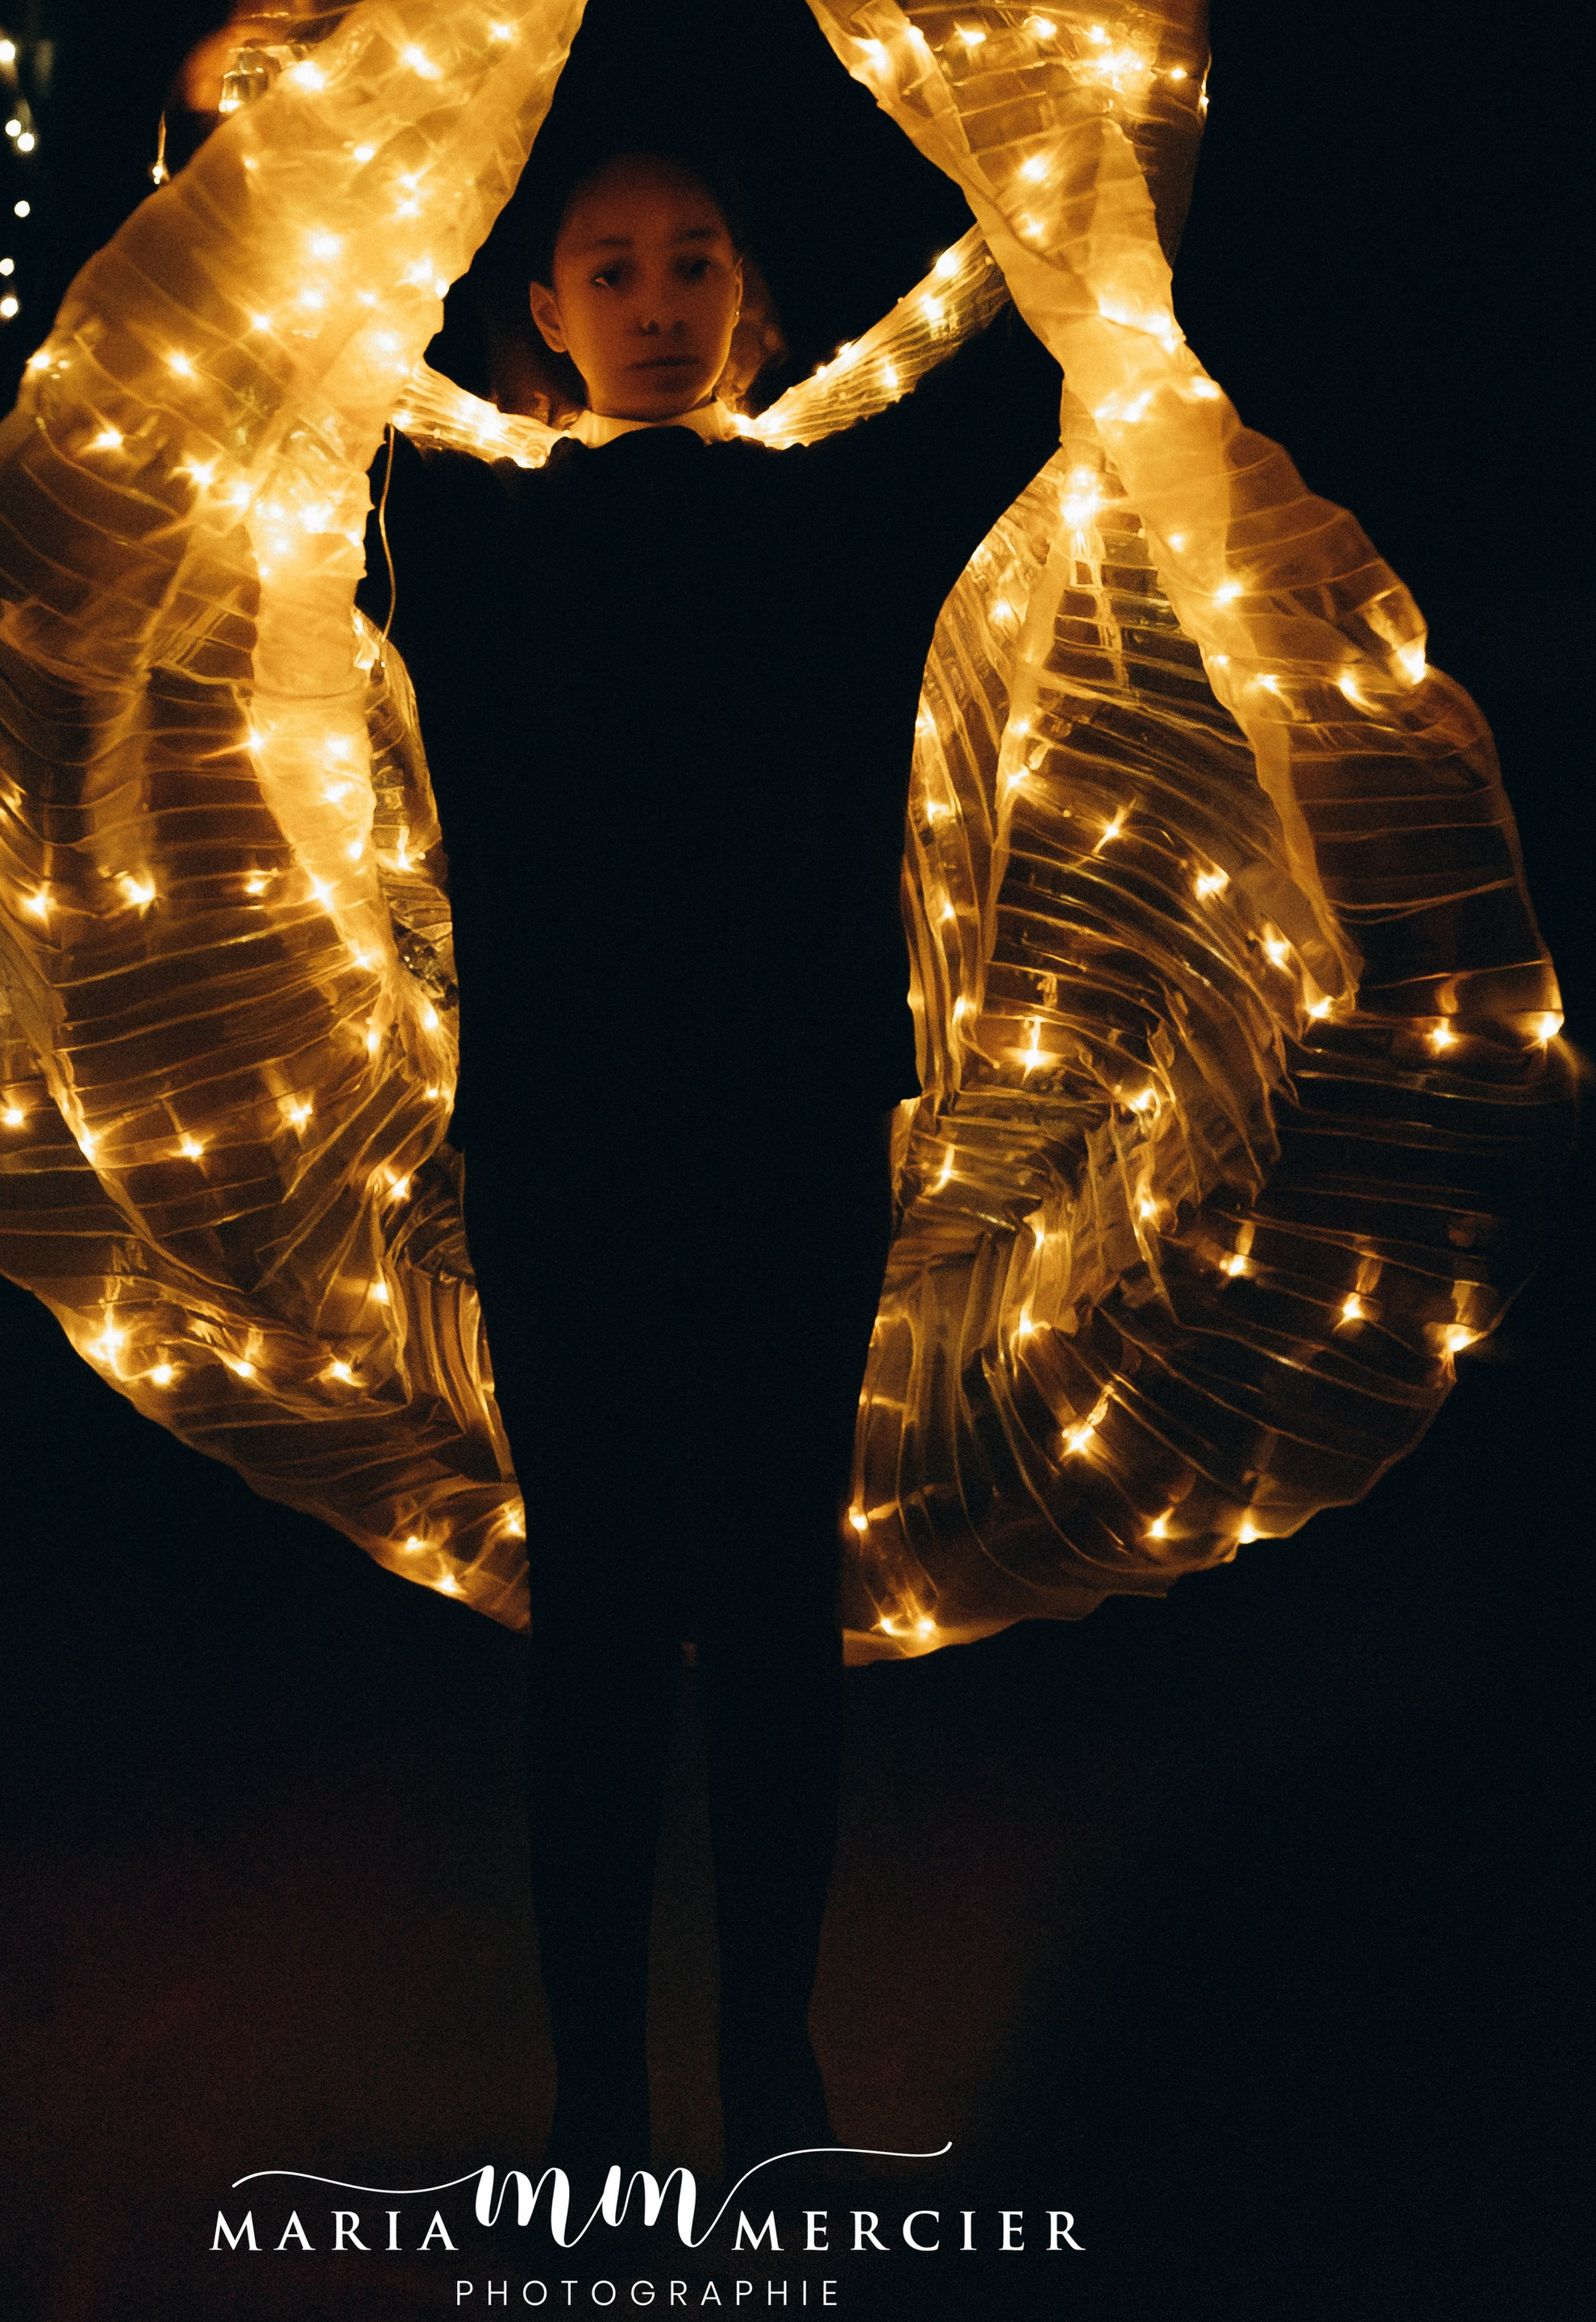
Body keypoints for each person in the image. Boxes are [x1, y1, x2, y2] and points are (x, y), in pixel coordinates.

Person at [365, 148, 1053, 2178]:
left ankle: (767, 2069)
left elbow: (1029, 334)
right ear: (544, 316)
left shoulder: (835, 504)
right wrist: (211, 111)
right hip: (569, 1134)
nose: (653, 302)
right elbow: (263, 357)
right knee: (596, 1619)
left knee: (764, 1605)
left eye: (690, 264)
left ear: (750, 300)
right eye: (608, 270)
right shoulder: (471, 523)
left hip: (783, 1126)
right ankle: (596, 2102)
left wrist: (1099, 92)